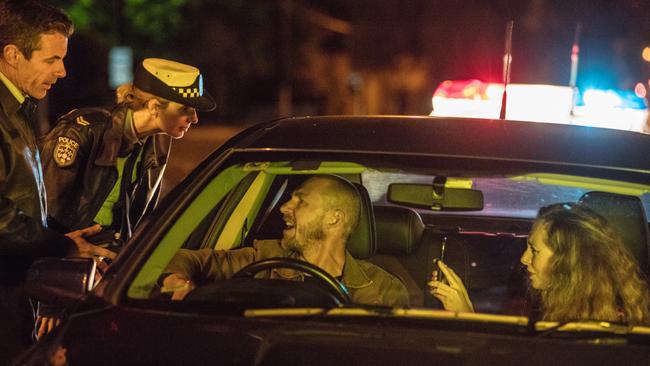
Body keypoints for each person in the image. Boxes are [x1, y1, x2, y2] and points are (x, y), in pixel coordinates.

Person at [0, 1, 115, 362]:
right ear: (13, 54)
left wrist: (60, 240)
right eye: (51, 60)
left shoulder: (18, 110)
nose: (62, 71)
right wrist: (60, 246)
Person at [161, 175, 410, 307]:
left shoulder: (384, 288)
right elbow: (185, 258)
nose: (283, 208)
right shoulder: (262, 258)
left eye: (300, 201)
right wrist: (177, 281)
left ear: (334, 219)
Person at [40, 57, 216, 243]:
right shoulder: (83, 130)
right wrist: (66, 247)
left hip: (111, 252)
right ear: (154, 106)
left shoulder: (159, 141)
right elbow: (44, 208)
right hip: (67, 253)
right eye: (185, 109)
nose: (195, 118)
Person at [429, 202, 650, 325]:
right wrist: (467, 312)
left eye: (534, 250)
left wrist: (468, 317)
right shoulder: (557, 311)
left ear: (568, 262)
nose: (523, 259)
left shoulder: (609, 332)